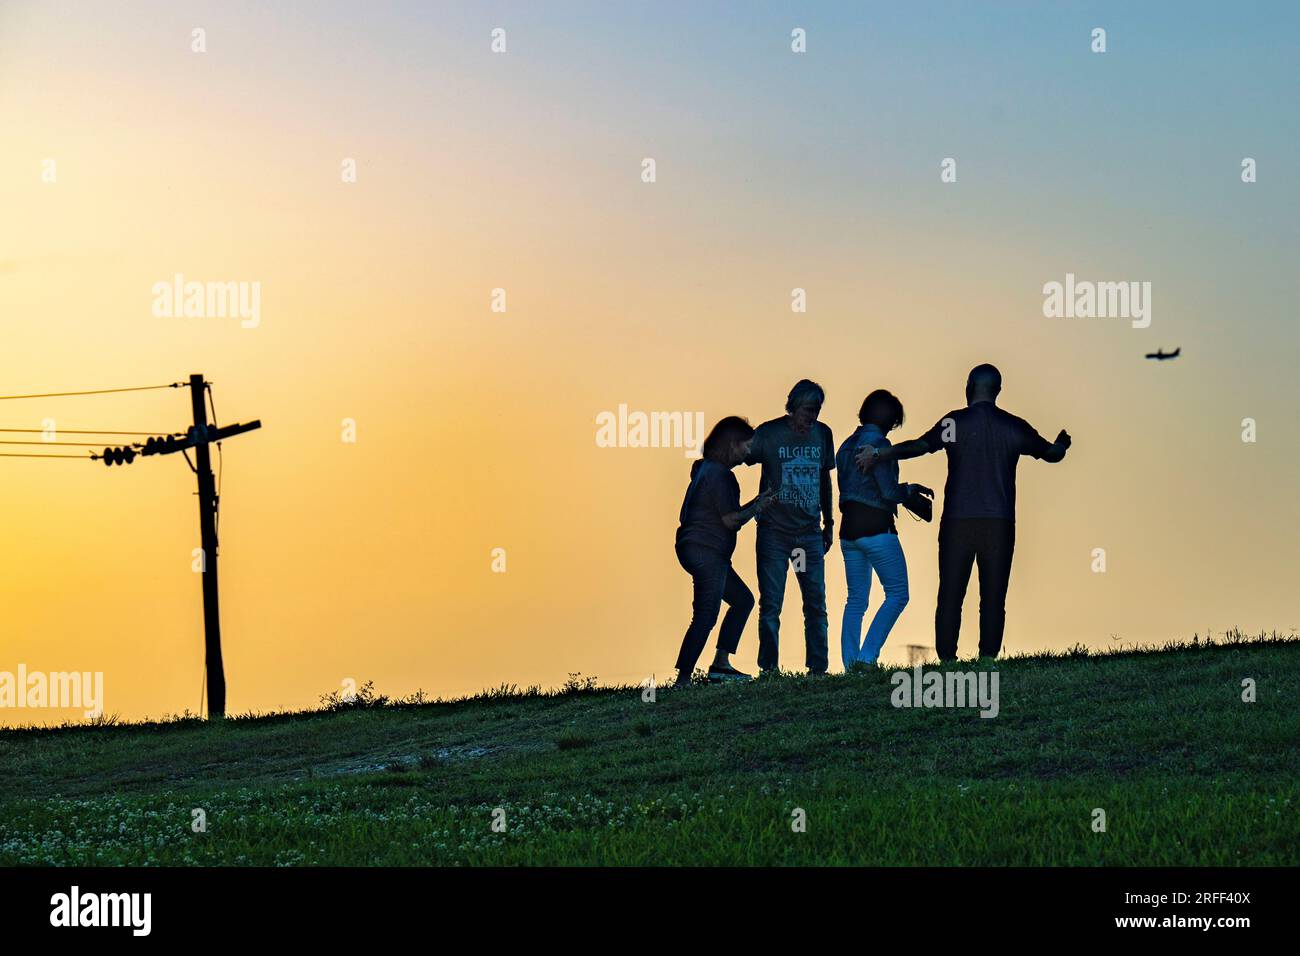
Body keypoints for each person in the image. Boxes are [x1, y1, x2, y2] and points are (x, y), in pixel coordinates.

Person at [856, 364, 1071, 662]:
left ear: (969, 386)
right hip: (999, 522)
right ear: (998, 390)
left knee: (950, 594)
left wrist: (880, 453)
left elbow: (919, 446)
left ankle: (947, 658)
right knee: (994, 596)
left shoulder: (954, 423)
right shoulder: (1014, 426)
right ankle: (987, 658)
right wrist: (1063, 442)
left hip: (958, 521)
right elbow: (1053, 454)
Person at [674, 416, 778, 687]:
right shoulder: (720, 475)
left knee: (743, 600)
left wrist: (757, 501)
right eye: (746, 445)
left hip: (699, 550)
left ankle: (720, 664)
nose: (748, 451)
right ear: (732, 445)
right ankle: (683, 680)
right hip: (706, 550)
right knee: (706, 615)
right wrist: (757, 508)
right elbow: (730, 520)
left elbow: (728, 514)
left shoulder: (705, 469)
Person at [835, 390, 933, 670]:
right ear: (890, 420)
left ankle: (850, 662)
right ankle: (867, 658)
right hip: (877, 528)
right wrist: (911, 490)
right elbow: (888, 492)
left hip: (848, 531)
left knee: (855, 600)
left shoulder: (844, 447)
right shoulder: (879, 444)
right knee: (898, 593)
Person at [745, 380, 835, 676]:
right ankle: (769, 669)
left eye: (817, 411)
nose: (813, 417)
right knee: (771, 604)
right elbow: (741, 454)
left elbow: (825, 480)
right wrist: (711, 464)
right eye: (809, 410)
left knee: (815, 604)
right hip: (774, 532)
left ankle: (818, 669)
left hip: (808, 533)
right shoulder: (770, 434)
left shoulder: (823, 434)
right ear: (794, 407)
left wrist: (829, 522)